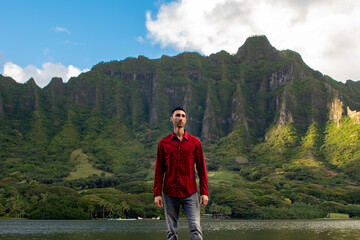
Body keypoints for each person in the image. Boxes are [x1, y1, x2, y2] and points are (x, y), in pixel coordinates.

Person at [154, 106, 209, 240]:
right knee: (171, 231)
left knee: (195, 228)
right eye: (177, 115)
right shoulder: (163, 143)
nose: (180, 118)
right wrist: (157, 194)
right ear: (171, 119)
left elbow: (201, 169)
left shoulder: (195, 143)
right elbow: (159, 170)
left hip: (190, 192)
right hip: (169, 193)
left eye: (183, 116)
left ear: (186, 120)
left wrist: (204, 192)